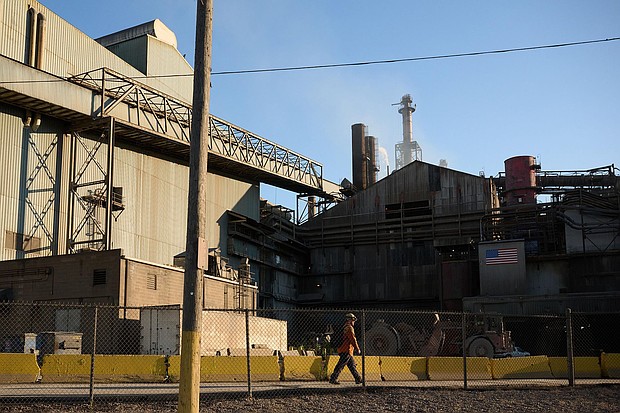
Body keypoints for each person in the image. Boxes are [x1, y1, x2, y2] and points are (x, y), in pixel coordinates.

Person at [329, 313, 363, 385]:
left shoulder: (344, 327)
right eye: (353, 320)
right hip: (346, 349)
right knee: (340, 365)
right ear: (350, 320)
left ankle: (358, 378)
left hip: (343, 349)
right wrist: (358, 348)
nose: (354, 322)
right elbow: (353, 339)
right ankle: (333, 378)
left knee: (351, 365)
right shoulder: (349, 328)